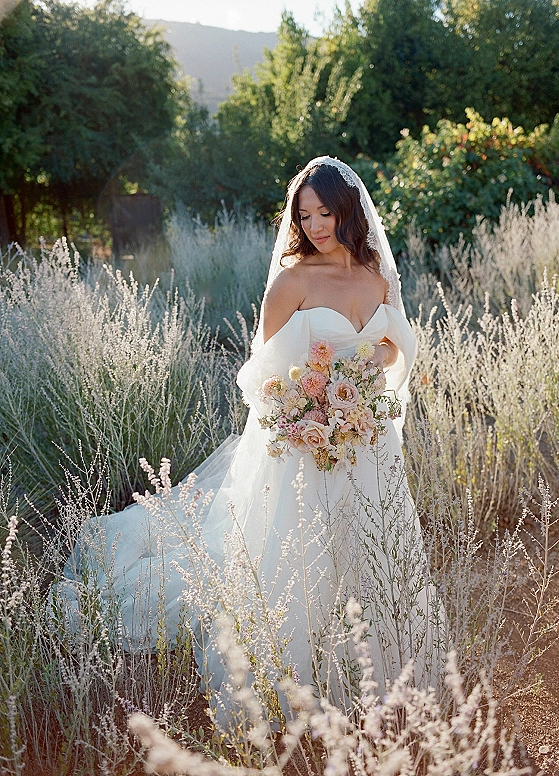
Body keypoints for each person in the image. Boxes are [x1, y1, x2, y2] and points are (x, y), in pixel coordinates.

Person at [55, 157, 444, 721]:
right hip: (303, 444)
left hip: (365, 440)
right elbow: (262, 376)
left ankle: (377, 679)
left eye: (325, 212)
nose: (313, 225)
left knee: (368, 552)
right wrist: (310, 409)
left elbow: (393, 349)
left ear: (349, 211)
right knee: (298, 559)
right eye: (304, 214)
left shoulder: (378, 278)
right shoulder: (292, 281)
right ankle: (290, 687)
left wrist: (355, 376)